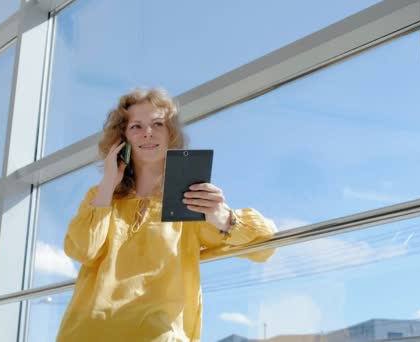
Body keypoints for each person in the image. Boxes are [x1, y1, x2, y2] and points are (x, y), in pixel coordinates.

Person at [56, 88, 277, 341]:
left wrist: (222, 217)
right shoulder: (101, 196)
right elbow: (83, 251)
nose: (147, 132)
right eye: (136, 126)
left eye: (157, 123)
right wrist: (109, 182)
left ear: (171, 133)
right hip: (88, 333)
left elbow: (265, 246)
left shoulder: (188, 198)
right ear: (121, 139)